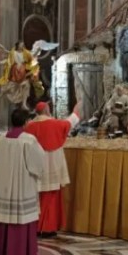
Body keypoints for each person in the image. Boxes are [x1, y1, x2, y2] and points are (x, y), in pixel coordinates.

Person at [0, 108, 47, 255]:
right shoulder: (29, 140)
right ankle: (20, 251)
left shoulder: (2, 138)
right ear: (25, 122)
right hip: (23, 184)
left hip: (5, 184)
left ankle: (4, 250)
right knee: (22, 216)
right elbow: (38, 162)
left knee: (6, 215)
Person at [25, 101, 81, 237]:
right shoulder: (56, 124)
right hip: (53, 165)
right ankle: (48, 228)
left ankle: (36, 226)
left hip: (36, 166)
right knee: (52, 196)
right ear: (46, 110)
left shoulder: (29, 126)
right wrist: (76, 109)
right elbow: (71, 122)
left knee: (37, 196)